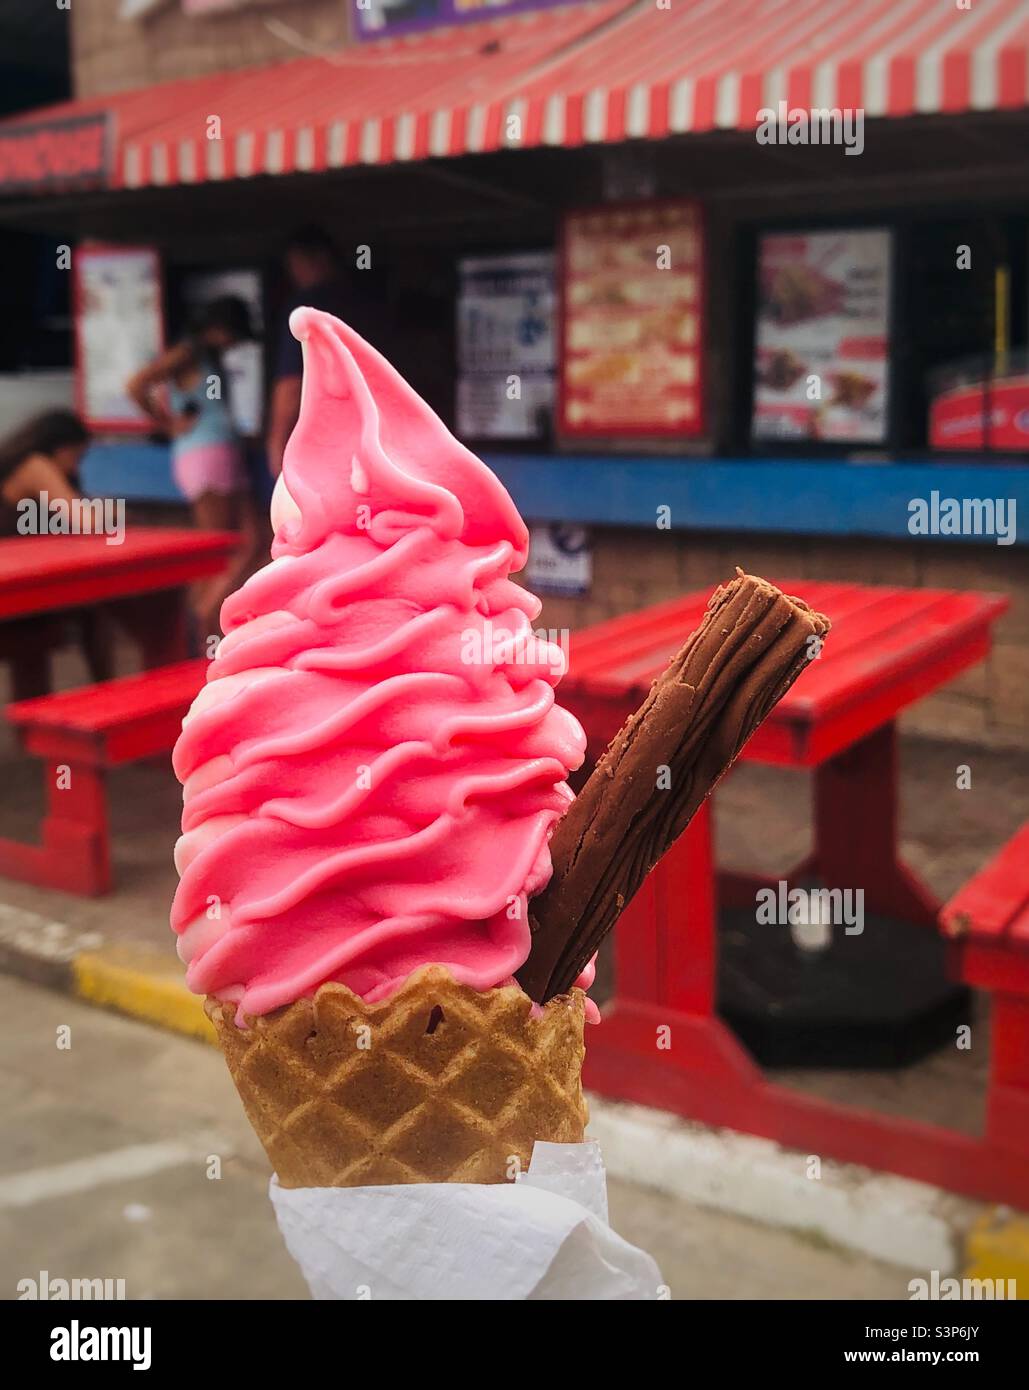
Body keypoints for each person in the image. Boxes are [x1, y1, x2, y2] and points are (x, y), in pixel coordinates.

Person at [126, 296, 260, 633]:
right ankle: (203, 623)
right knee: (215, 549)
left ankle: (208, 614)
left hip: (220, 451)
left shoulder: (207, 356)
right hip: (204, 454)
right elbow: (137, 385)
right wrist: (166, 423)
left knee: (253, 539)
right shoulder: (187, 352)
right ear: (218, 329)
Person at [266, 226, 388, 477]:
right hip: (381, 437)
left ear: (319, 258)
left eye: (296, 264)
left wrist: (276, 441)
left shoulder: (306, 308)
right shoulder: (367, 303)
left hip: (328, 444)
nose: (294, 274)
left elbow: (291, 384)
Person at [0, 409, 91, 536]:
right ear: (61, 449)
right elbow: (86, 522)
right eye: (76, 457)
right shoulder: (36, 467)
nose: (75, 468)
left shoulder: (22, 464)